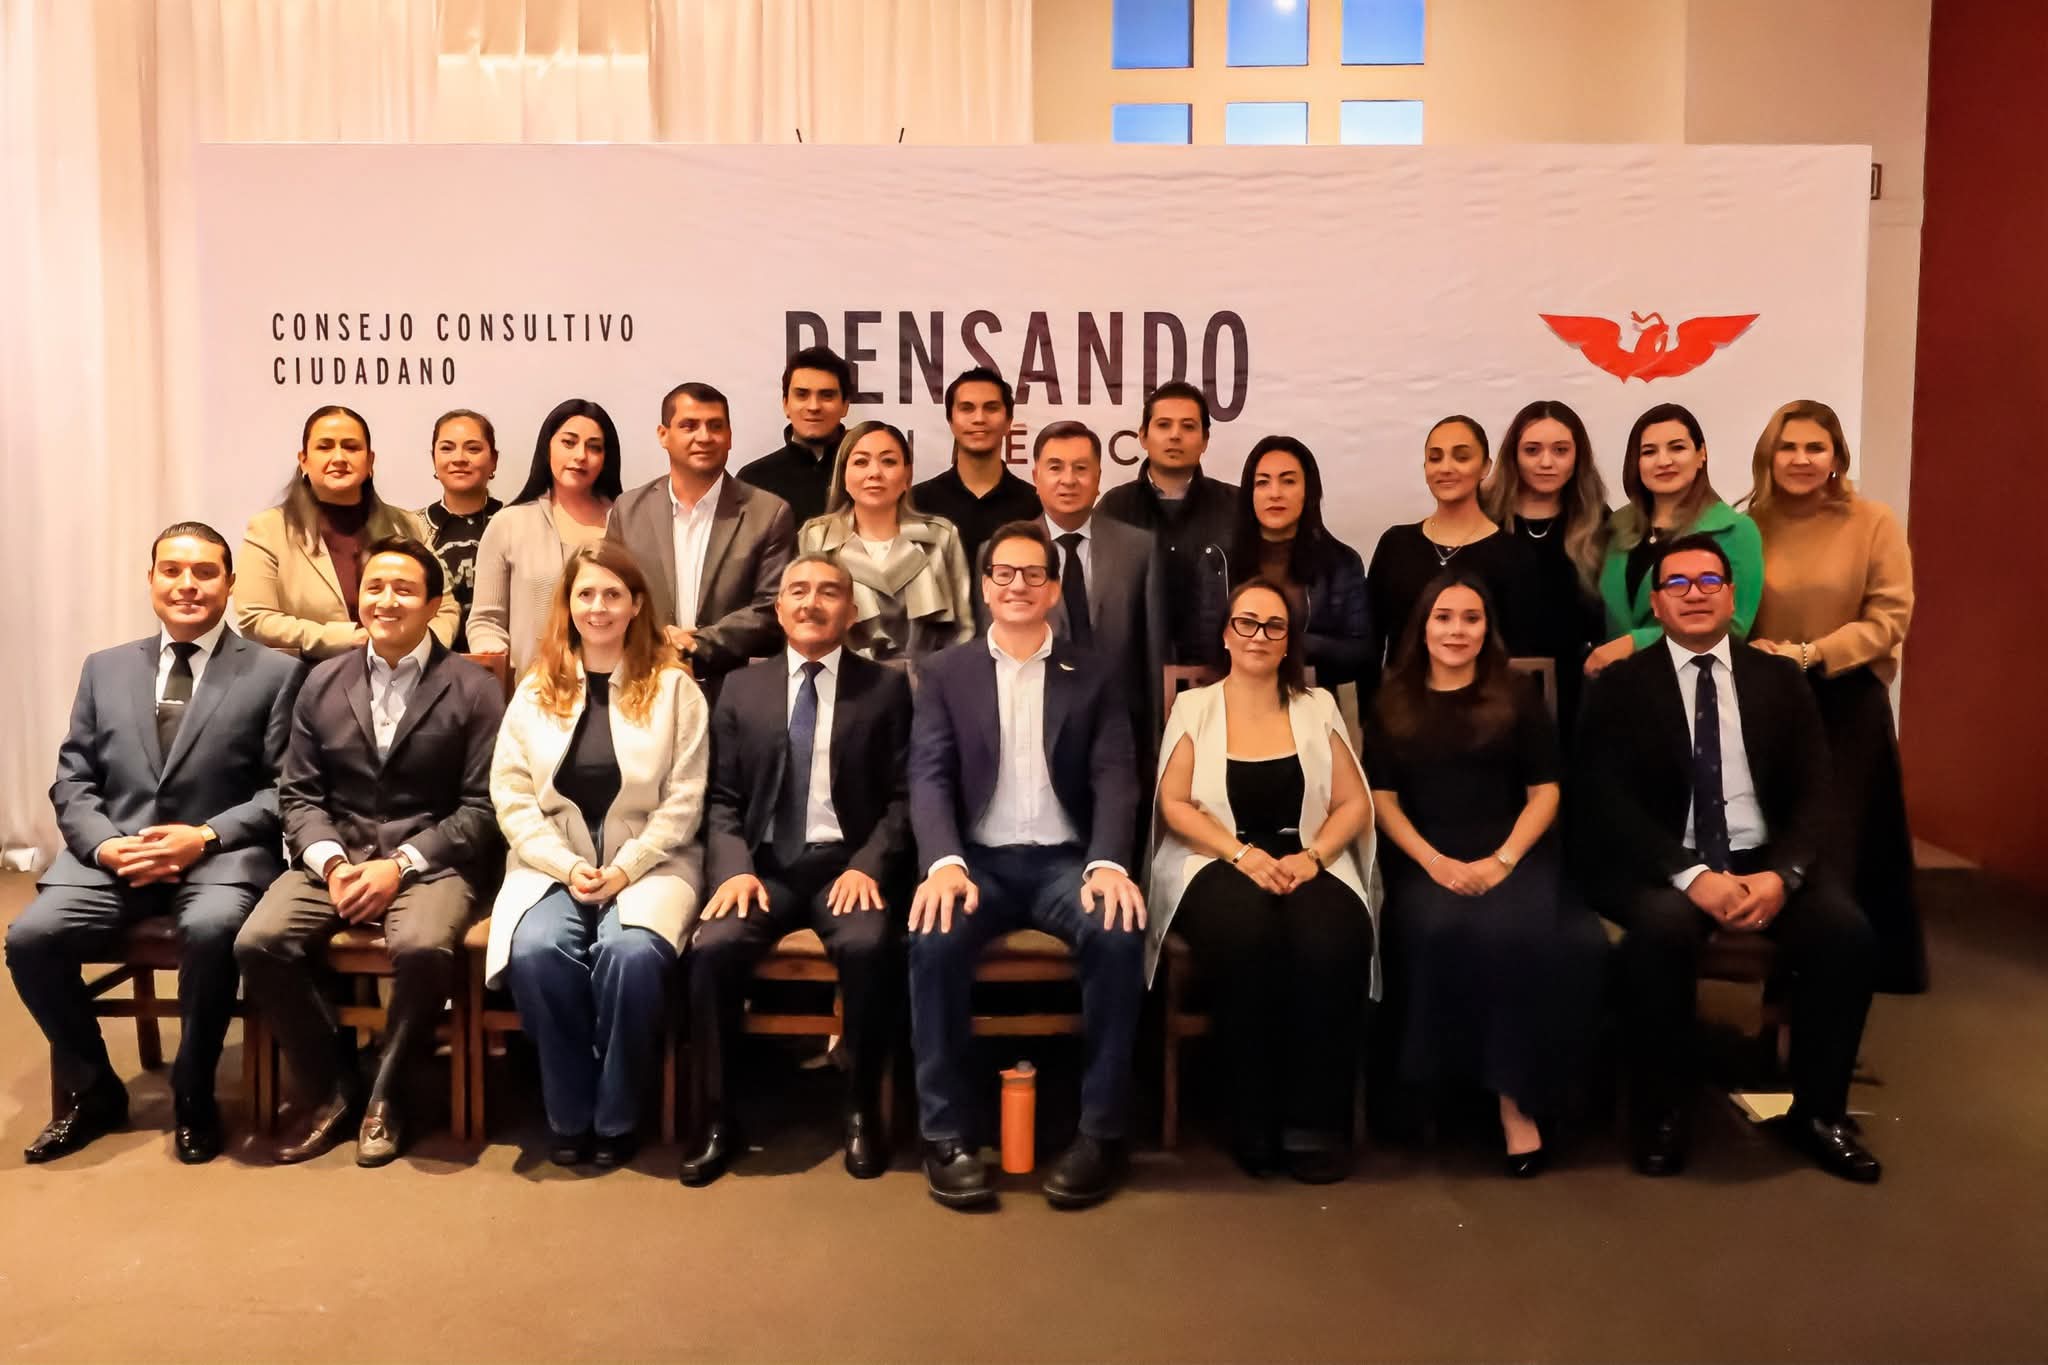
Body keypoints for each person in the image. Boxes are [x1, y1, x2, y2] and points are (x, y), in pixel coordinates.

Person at [1573, 533, 1881, 1183]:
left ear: (1732, 595)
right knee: (1660, 932)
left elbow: (1817, 789)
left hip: (1764, 857)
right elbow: (1606, 799)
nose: (1695, 594)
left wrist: (1783, 874)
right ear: (1657, 603)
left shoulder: (1779, 678)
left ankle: (1820, 1114)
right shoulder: (1621, 685)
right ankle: (1661, 1112)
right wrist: (1691, 874)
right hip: (1665, 859)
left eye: (1709, 581)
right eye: (1677, 583)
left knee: (1845, 931)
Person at [7, 523, 304, 1165]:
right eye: (172, 570)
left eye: (204, 572)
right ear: (151, 581)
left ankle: (193, 1093)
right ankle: (95, 1091)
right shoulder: (105, 667)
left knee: (212, 930)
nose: (187, 585)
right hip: (115, 858)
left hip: (219, 859)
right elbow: (74, 778)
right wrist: (105, 846)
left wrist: (204, 836)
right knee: (29, 940)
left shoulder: (276, 673)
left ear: (230, 583)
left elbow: (287, 789)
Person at [234, 537, 506, 1166]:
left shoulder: (474, 688)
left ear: (434, 605)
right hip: (335, 857)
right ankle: (334, 1087)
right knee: (258, 943)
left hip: (433, 861)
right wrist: (331, 863)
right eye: (375, 587)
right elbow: (298, 794)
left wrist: (399, 865)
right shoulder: (322, 680)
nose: (386, 600)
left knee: (422, 947)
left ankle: (389, 1093)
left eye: (404, 589)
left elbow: (484, 808)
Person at [906, 521, 1146, 1210]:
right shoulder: (946, 673)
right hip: (976, 863)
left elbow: (1115, 774)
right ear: (984, 588)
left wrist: (1107, 862)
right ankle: (944, 1135)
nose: (1018, 585)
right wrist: (943, 862)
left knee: (1118, 931)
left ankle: (1100, 1131)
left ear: (1054, 588)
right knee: (933, 936)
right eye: (1004, 574)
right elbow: (928, 774)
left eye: (1033, 574)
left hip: (1066, 864)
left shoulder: (1092, 671)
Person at [1363, 571, 1605, 1178]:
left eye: (1471, 618)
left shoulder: (1516, 694)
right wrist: (1434, 862)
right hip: (1425, 855)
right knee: (1440, 929)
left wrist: (1502, 861)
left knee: (1525, 936)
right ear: (1422, 627)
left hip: (1515, 850)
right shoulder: (1392, 699)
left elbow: (1546, 792)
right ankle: (1439, 1091)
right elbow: (1382, 800)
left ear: (1487, 628)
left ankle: (1515, 1104)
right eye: (1443, 617)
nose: (1457, 631)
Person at [686, 554, 915, 1184]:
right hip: (763, 869)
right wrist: (733, 870)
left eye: (829, 592)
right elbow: (721, 798)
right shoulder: (742, 688)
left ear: (852, 610)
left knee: (869, 948)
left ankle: (861, 1110)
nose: (812, 602)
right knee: (713, 949)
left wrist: (870, 866)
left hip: (847, 867)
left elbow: (904, 798)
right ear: (780, 609)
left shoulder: (886, 688)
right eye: (798, 591)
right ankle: (719, 1118)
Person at [486, 542, 707, 1169]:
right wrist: (565, 866)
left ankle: (617, 1115)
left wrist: (626, 868)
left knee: (630, 955)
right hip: (551, 864)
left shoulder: (675, 690)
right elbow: (511, 794)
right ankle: (568, 1112)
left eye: (613, 594)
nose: (598, 607)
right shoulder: (536, 688)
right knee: (537, 951)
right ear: (568, 604)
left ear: (636, 605)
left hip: (653, 863)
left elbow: (685, 800)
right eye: (585, 593)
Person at [1149, 578, 1377, 1182]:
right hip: (1214, 855)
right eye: (1246, 623)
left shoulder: (1316, 705)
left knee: (1331, 937)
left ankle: (1314, 1123)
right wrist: (1240, 854)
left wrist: (1316, 857)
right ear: (1226, 635)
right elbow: (1174, 804)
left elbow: (1353, 802)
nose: (1259, 635)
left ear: (1288, 641)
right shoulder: (1195, 707)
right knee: (1247, 934)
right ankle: (1249, 1118)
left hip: (1305, 853)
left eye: (1275, 626)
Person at [1744, 399, 1925, 993]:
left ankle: (1836, 984)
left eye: (1814, 448)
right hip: (1769, 703)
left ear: (1836, 457)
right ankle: (1782, 983)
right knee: (1774, 836)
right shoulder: (1748, 526)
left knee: (1836, 849)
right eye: (1788, 447)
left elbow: (1890, 618)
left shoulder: (1872, 522)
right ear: (1768, 456)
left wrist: (1810, 653)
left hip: (1846, 700)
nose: (1800, 459)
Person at [606, 381, 794, 696]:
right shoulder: (628, 510)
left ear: (730, 437)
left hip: (734, 693)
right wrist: (656, 640)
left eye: (715, 426)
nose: (704, 437)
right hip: (643, 688)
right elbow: (610, 594)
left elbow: (772, 609)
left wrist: (695, 644)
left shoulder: (768, 513)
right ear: (663, 435)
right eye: (689, 426)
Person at [237, 405, 458, 658]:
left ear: (370, 461)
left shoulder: (407, 525)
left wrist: (414, 646)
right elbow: (255, 618)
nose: (339, 458)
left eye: (351, 447)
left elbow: (445, 608)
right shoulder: (268, 528)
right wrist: (349, 638)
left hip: (404, 671)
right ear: (303, 460)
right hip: (308, 674)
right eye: (325, 447)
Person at [1366, 415, 1540, 692]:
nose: (1446, 468)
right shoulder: (1395, 544)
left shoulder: (1513, 554)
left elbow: (1521, 653)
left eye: (1461, 457)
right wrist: (1373, 709)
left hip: (1487, 707)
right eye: (1435, 458)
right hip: (1402, 707)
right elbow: (1371, 641)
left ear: (1485, 467)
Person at [1588, 403, 1763, 676]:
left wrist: (1633, 643)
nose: (1664, 461)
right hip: (1615, 683)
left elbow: (1733, 627)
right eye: (1649, 452)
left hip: (1693, 682)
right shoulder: (1615, 526)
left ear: (1701, 455)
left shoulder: (1736, 530)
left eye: (1677, 448)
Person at [1478, 400, 1611, 730]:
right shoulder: (1482, 516)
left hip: (1578, 691)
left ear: (1578, 456)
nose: (1546, 462)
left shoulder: (1599, 521)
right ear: (1514, 455)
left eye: (1561, 450)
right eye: (1532, 450)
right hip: (1490, 686)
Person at [1196, 436, 1371, 688]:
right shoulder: (1218, 560)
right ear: (1249, 493)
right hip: (1232, 697)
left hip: (1310, 698)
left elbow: (1360, 652)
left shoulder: (1341, 562)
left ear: (1308, 491)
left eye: (1288, 481)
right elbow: (1203, 644)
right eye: (1262, 482)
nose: (1275, 493)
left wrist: (1289, 640)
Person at [794, 420, 975, 661]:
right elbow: (803, 627)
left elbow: (964, 632)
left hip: (928, 678)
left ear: (907, 475)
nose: (875, 473)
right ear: (843, 474)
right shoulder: (816, 537)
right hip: (844, 679)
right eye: (861, 462)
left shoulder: (940, 536)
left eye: (888, 461)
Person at [1033, 420, 1167, 745]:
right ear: (1036, 477)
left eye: (1081, 468)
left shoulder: (1138, 548)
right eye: (1055, 468)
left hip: (1119, 729)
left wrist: (1154, 744)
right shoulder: (1004, 550)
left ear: (1098, 478)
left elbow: (1152, 656)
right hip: (1035, 728)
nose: (1068, 480)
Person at [468, 399, 624, 674]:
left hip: (614, 688)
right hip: (529, 689)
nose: (581, 455)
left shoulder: (626, 521)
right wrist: (495, 659)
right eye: (569, 442)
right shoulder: (509, 523)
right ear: (547, 447)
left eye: (594, 447)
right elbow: (486, 621)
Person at [1097, 380, 1238, 664]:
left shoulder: (1235, 506)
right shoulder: (1114, 508)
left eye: (1188, 427)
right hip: (1132, 671)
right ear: (1143, 436)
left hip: (1219, 670)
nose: (1175, 436)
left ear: (1205, 440)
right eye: (1163, 425)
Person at [910, 367, 1041, 565]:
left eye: (991, 408)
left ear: (1009, 421)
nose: (979, 418)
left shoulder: (1035, 505)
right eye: (967, 408)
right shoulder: (917, 504)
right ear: (950, 421)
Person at [736, 346, 855, 526]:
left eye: (827, 395)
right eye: (802, 395)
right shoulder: (752, 481)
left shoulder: (869, 476)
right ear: (785, 404)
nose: (814, 406)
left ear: (845, 405)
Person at [417, 408, 503, 652]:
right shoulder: (412, 528)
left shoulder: (515, 524)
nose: (459, 458)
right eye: (447, 448)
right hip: (429, 660)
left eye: (473, 449)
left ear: (493, 460)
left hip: (501, 658)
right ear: (433, 458)